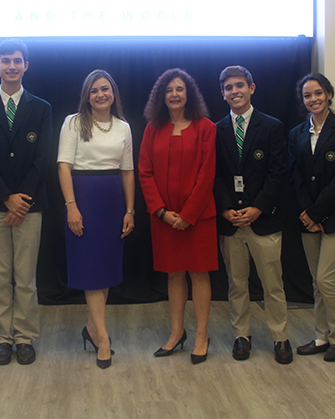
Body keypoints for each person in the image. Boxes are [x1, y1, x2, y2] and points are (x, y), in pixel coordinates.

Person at [0, 39, 52, 366]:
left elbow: (42, 157)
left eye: (17, 60)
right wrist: (6, 197)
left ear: (26, 65)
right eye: (6, 61)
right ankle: (3, 337)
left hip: (30, 206)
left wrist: (21, 201)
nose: (12, 66)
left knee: (26, 278)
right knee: (0, 277)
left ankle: (25, 338)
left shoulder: (41, 107)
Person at [213, 65, 292, 364]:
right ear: (223, 94)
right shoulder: (217, 129)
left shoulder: (271, 126)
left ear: (252, 88)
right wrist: (225, 209)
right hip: (231, 222)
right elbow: (216, 175)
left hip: (264, 220)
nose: (235, 91)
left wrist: (258, 208)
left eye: (240, 86)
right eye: (229, 88)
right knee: (237, 283)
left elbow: (278, 173)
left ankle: (280, 337)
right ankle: (241, 335)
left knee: (273, 284)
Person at [58, 69, 135, 369]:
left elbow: (127, 171)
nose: (100, 94)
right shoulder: (73, 123)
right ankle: (103, 338)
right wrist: (71, 206)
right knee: (91, 270)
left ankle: (92, 328)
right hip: (84, 197)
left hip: (113, 199)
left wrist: (130, 210)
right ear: (86, 96)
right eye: (94, 91)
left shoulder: (123, 127)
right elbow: (64, 167)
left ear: (113, 93)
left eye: (105, 89)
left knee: (105, 269)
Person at [138, 68, 216, 364]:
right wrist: (161, 211)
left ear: (189, 94)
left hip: (198, 218)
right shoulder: (152, 129)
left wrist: (187, 214)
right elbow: (144, 172)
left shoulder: (206, 127)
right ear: (161, 96)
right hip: (164, 218)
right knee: (174, 274)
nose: (174, 94)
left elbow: (207, 174)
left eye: (180, 89)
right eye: (168, 89)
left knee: (199, 273)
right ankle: (176, 333)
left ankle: (201, 335)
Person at [288, 73, 335, 362]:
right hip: (308, 219)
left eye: (318, 93)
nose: (313, 99)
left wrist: (317, 213)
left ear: (328, 94)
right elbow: (296, 177)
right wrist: (308, 213)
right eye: (307, 95)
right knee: (317, 282)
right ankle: (321, 336)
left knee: (327, 278)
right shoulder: (297, 133)